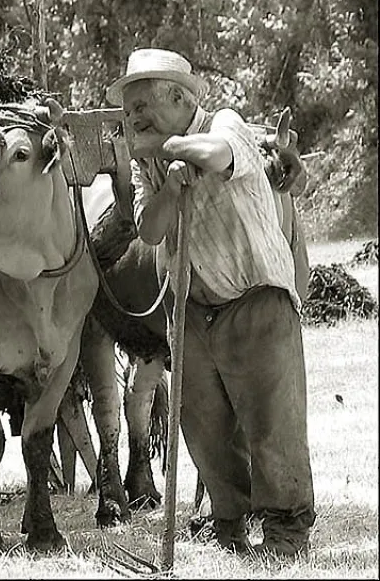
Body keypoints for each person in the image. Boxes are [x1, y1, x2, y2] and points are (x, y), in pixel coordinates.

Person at [106, 48, 316, 557]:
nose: (133, 119)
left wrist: (174, 148)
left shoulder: (225, 122)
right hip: (194, 311)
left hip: (256, 299)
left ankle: (287, 531)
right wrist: (169, 184)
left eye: (143, 105)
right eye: (129, 110)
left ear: (179, 97)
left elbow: (220, 155)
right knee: (205, 427)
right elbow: (149, 230)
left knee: (272, 424)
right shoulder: (147, 168)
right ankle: (229, 524)